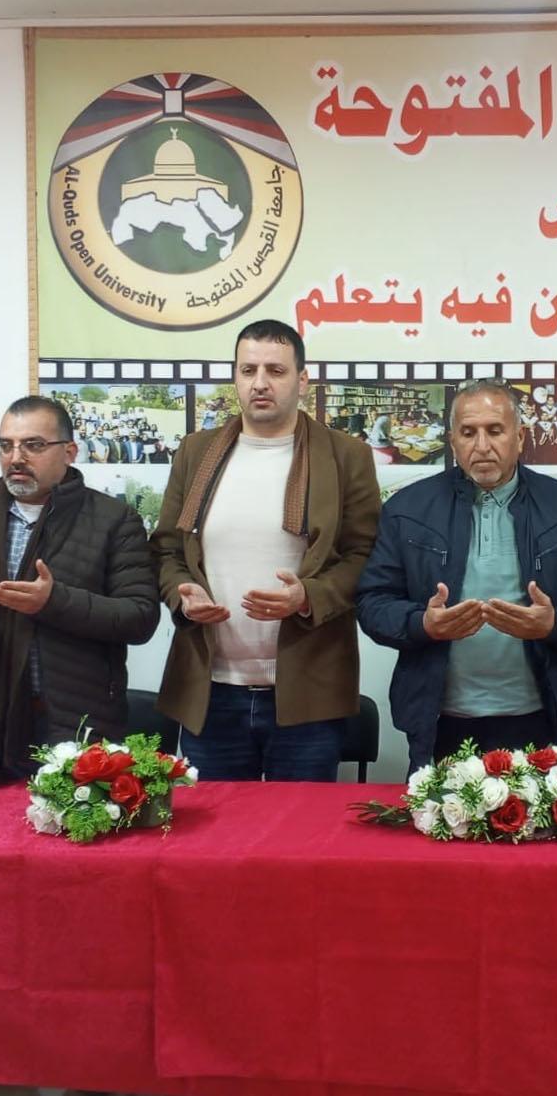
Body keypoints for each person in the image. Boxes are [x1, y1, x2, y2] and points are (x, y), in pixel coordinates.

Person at [151, 320, 379, 781]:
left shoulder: (345, 456)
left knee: (299, 827)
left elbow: (365, 556)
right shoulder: (195, 452)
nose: (260, 383)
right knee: (214, 827)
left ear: (303, 379)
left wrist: (307, 595)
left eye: (275, 370)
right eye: (248, 370)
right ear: (235, 377)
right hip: (210, 691)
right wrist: (182, 593)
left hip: (307, 692)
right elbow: (167, 549)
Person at [356, 380, 557, 769]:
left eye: (495, 431)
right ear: (452, 441)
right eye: (468, 432)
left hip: (543, 720)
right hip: (440, 722)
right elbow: (373, 603)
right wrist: (422, 624)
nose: (482, 445)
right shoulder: (407, 509)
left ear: (520, 437)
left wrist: (555, 624)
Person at [0, 396, 159, 784]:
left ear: (70, 452)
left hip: (79, 720)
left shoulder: (114, 520)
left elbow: (140, 617)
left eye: (33, 445)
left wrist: (53, 601)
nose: (16, 458)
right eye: (6, 445)